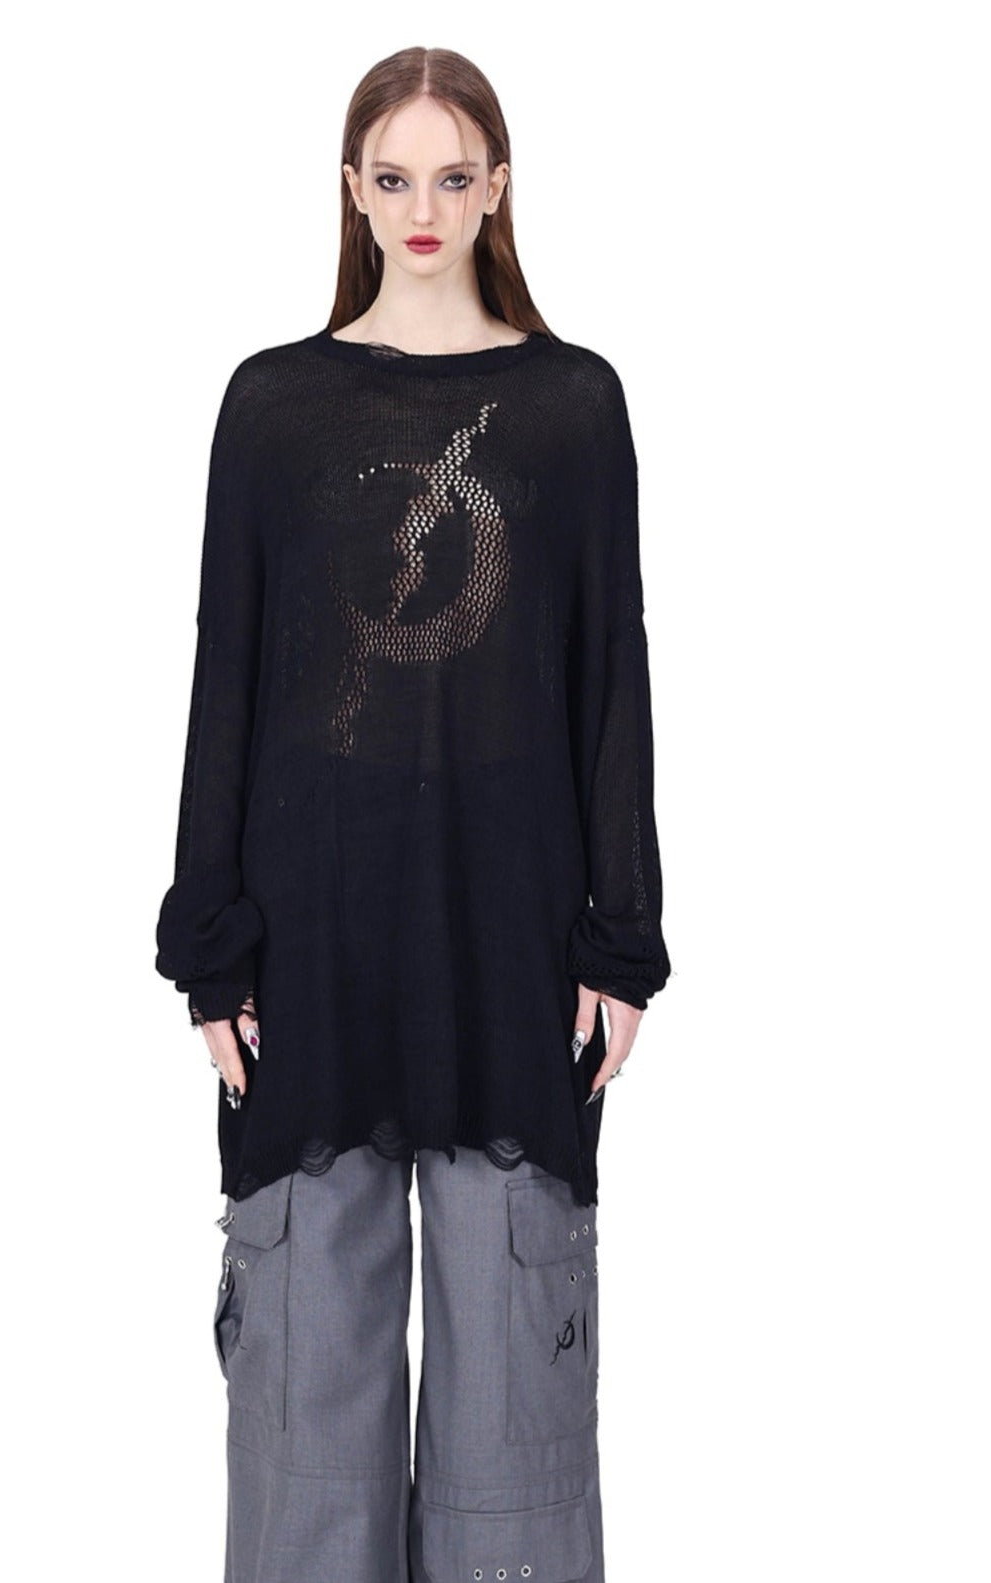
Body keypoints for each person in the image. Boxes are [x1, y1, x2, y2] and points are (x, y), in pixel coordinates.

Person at [154, 45, 671, 1583]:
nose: (423, 207)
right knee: (306, 1459)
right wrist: (210, 949)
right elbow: (228, 674)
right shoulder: (275, 406)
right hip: (309, 968)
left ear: (499, 186)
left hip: (514, 961)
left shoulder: (573, 406)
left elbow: (611, 677)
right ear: (352, 190)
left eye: (453, 176)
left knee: (518, 1463)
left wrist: (622, 940)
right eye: (393, 178)